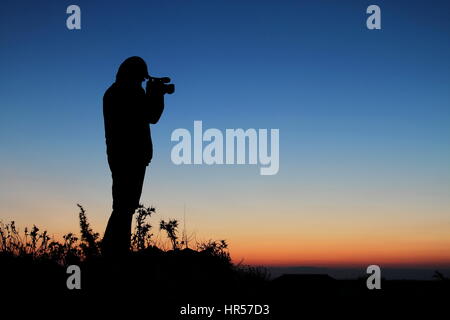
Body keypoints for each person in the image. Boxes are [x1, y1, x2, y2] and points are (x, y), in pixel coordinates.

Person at [102, 56, 165, 256]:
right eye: (141, 79)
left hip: (122, 155)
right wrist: (156, 94)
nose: (142, 82)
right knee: (125, 206)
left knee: (124, 205)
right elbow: (152, 116)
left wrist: (152, 92)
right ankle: (114, 253)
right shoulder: (129, 92)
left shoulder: (113, 92)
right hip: (131, 156)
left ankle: (115, 251)